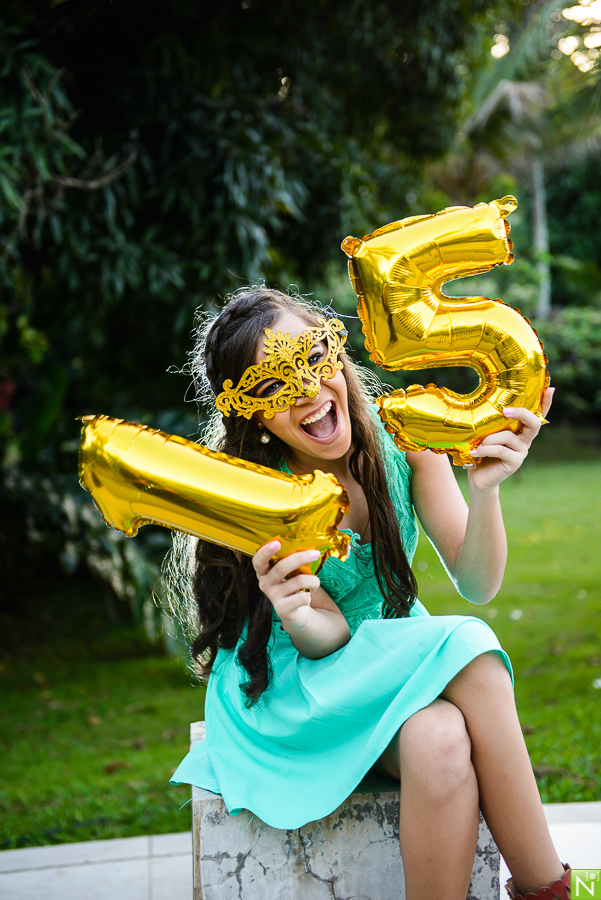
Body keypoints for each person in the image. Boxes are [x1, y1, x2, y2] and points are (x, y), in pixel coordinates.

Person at [169, 286, 569, 900]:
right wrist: (296, 613)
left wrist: (486, 490)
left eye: (311, 358)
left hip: (381, 664)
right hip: (297, 684)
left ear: (336, 352)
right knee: (469, 642)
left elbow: (478, 580)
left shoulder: (405, 436)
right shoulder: (264, 496)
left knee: (439, 738)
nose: (305, 389)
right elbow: (325, 640)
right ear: (249, 412)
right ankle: (556, 890)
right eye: (273, 385)